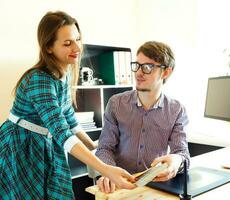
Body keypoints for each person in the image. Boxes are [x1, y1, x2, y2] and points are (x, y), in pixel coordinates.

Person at [0, 11, 136, 199]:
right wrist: (106, 169)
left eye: (77, 39)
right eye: (67, 43)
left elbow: (68, 117)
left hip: (47, 142)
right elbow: (61, 129)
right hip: (22, 145)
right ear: (48, 47)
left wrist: (91, 145)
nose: (77, 47)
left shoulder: (66, 73)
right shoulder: (39, 80)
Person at [95, 41, 190, 193]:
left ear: (166, 72)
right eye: (137, 65)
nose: (138, 73)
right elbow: (105, 148)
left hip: (154, 188)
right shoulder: (115, 104)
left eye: (147, 67)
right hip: (119, 186)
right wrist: (108, 172)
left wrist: (175, 161)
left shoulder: (177, 110)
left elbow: (182, 153)